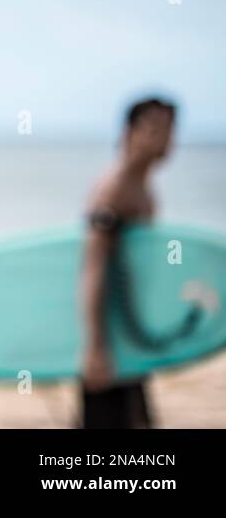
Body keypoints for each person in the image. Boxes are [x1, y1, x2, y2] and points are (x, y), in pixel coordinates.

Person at [79, 97, 176, 429]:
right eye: (154, 129)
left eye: (169, 129)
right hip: (109, 337)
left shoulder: (142, 185)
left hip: (127, 334)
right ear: (129, 132)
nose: (164, 139)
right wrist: (94, 347)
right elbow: (92, 267)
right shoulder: (115, 189)